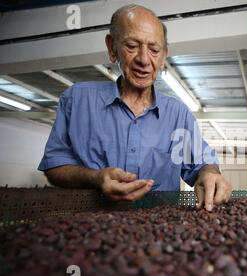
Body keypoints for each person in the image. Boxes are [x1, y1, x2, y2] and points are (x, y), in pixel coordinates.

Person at [38, 4, 232, 211]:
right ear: (112, 48)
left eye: (154, 50)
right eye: (131, 46)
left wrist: (210, 174)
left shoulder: (178, 115)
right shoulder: (77, 100)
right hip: (88, 227)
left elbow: (201, 165)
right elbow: (54, 166)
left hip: (160, 230)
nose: (143, 59)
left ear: (163, 56)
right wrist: (96, 178)